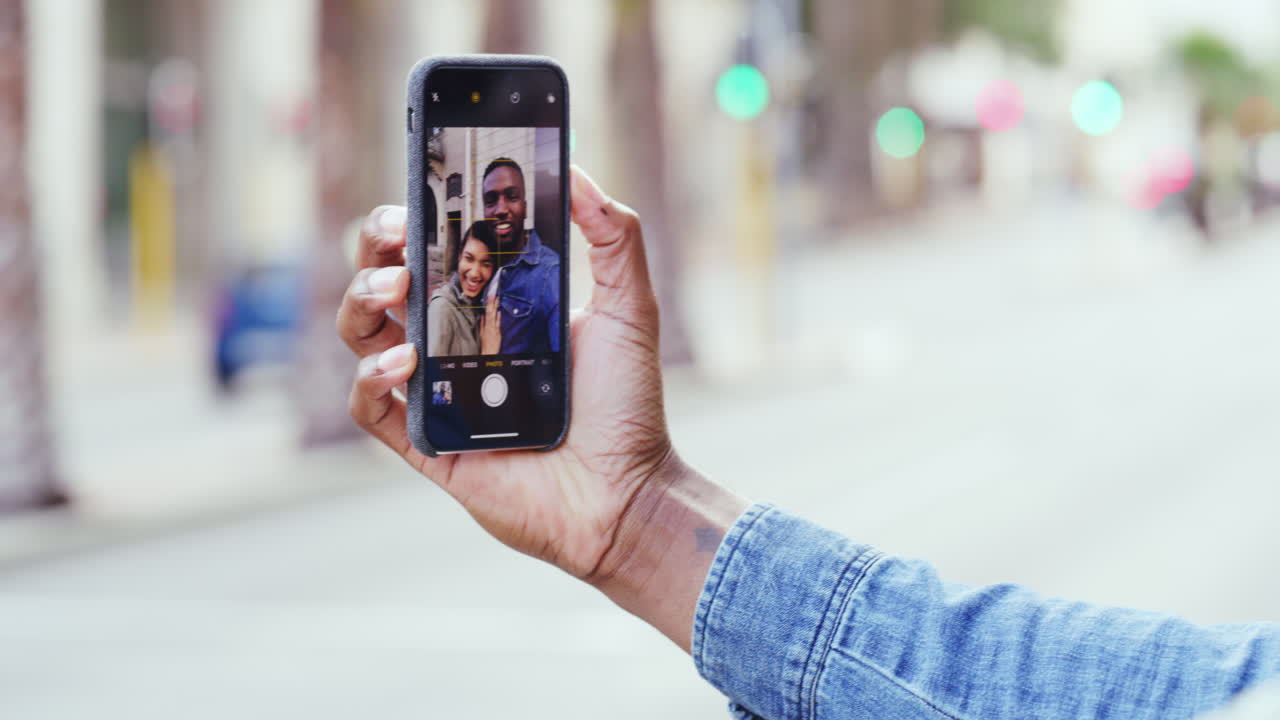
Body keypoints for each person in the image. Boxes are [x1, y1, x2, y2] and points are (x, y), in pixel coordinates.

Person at [337, 168, 1280, 720]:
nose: (501, 218)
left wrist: (639, 525)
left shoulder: (533, 272)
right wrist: (637, 521)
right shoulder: (473, 288)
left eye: (514, 197)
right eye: (490, 204)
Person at [480, 157, 560, 353]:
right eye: (491, 201)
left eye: (512, 197)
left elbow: (560, 364)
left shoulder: (551, 274)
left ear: (525, 208)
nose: (501, 210)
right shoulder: (486, 265)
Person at [425, 220, 501, 356]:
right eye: (469, 259)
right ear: (459, 257)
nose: (474, 273)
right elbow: (434, 369)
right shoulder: (442, 309)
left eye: (486, 264)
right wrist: (488, 354)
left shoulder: (482, 308)